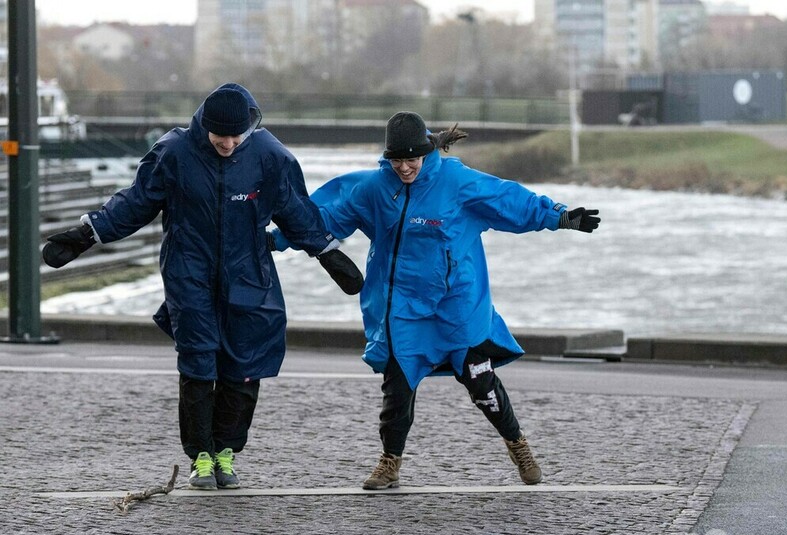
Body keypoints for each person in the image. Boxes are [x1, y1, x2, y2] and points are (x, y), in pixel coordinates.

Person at [42, 83, 363, 490]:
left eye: (235, 136)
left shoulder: (271, 157)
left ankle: (227, 451)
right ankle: (201, 457)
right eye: (218, 137)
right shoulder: (175, 152)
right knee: (197, 364)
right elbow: (137, 201)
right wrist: (88, 233)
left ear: (248, 128)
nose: (227, 144)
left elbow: (296, 211)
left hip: (250, 275)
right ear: (203, 128)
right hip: (188, 273)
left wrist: (327, 252)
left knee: (243, 367)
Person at [271, 111, 600, 489]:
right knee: (397, 391)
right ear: (387, 157)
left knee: (481, 382)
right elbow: (322, 217)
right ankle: (390, 462)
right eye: (397, 160)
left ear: (428, 153)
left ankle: (517, 444)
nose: (405, 167)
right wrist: (276, 240)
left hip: (455, 306)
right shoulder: (373, 189)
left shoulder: (456, 181)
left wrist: (560, 216)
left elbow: (509, 199)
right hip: (403, 309)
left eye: (413, 159)